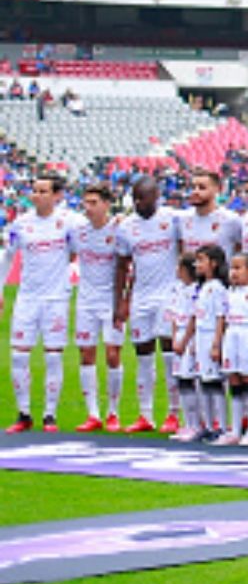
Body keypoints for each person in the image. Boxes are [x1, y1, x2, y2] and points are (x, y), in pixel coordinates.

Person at [4, 174, 77, 433]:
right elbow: (8, 257)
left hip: (56, 299)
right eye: (35, 190)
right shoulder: (21, 224)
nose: (37, 195)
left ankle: (49, 416)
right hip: (27, 298)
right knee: (18, 355)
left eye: (44, 191)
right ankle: (24, 414)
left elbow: (80, 251)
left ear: (57, 195)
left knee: (53, 357)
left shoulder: (69, 222)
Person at [113, 176, 184, 434]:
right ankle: (145, 415)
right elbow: (122, 266)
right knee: (143, 356)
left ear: (156, 196)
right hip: (141, 297)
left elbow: (185, 251)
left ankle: (173, 413)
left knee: (168, 355)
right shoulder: (126, 227)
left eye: (144, 197)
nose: (140, 203)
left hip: (169, 294)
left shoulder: (173, 220)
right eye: (136, 198)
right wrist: (121, 301)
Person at [72, 184, 125, 431]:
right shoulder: (77, 231)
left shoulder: (119, 229)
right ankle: (93, 413)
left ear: (106, 204)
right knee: (86, 354)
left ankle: (113, 412)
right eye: (86, 202)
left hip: (111, 300)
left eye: (94, 203)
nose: (88, 207)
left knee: (113, 354)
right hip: (86, 300)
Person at [215, 251, 248, 445]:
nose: (234, 273)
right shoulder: (229, 292)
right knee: (234, 381)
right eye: (232, 268)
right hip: (232, 335)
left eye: (238, 268)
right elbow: (222, 319)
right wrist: (218, 343)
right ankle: (235, 429)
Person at [186, 246, 228, 442]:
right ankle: (208, 425)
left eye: (201, 260)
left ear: (214, 263)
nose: (197, 265)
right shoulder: (201, 287)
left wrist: (216, 343)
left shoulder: (218, 288)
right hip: (201, 337)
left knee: (215, 383)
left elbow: (220, 316)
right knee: (202, 382)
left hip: (211, 336)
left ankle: (221, 424)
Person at [165, 246, 204, 441]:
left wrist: (185, 340)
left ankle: (197, 423)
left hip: (189, 338)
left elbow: (194, 318)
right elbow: (173, 316)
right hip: (179, 338)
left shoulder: (196, 291)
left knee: (192, 380)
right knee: (182, 381)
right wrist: (175, 339)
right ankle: (188, 422)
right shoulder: (177, 289)